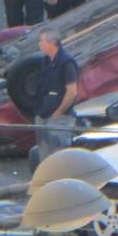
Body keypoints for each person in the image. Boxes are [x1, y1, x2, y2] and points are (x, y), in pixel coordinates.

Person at [32, 28, 79, 164]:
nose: (39, 44)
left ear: (52, 42)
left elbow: (72, 91)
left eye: (41, 41)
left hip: (59, 118)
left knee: (60, 159)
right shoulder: (45, 61)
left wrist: (58, 112)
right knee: (46, 159)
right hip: (43, 116)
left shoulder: (66, 63)